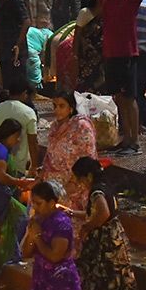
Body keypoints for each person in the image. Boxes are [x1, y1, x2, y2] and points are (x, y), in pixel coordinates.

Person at [81, 0, 146, 155]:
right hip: (111, 55)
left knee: (130, 99)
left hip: (128, 55)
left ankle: (134, 142)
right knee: (119, 99)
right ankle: (125, 138)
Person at [71, 157, 140, 290]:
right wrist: (72, 213)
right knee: (116, 277)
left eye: (79, 179)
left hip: (105, 242)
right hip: (115, 236)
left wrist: (86, 228)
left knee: (102, 280)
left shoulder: (97, 193)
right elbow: (95, 213)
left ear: (87, 176)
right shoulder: (106, 187)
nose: (79, 183)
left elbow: (102, 213)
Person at [0, 117, 34, 276]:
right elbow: (1, 176)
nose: (17, 141)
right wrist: (20, 182)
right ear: (9, 134)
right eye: (16, 137)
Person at [39, 93, 97, 237]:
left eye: (61, 106)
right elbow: (50, 153)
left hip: (74, 187)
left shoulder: (82, 127)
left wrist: (73, 181)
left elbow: (88, 157)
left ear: (71, 108)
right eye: (55, 106)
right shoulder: (54, 127)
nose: (57, 110)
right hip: (54, 186)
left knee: (70, 228)